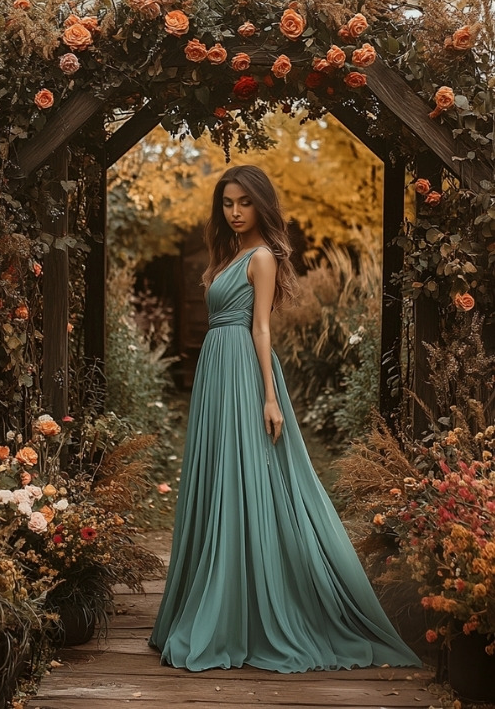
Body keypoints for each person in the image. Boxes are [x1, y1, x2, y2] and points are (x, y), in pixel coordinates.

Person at [149, 164, 420, 673]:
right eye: (227, 203)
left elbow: (261, 330)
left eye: (244, 203)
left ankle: (251, 605)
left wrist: (270, 398)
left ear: (261, 205)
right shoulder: (228, 252)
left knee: (252, 476)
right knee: (219, 475)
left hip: (244, 373)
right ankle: (213, 594)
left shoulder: (263, 257)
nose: (234, 212)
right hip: (216, 370)